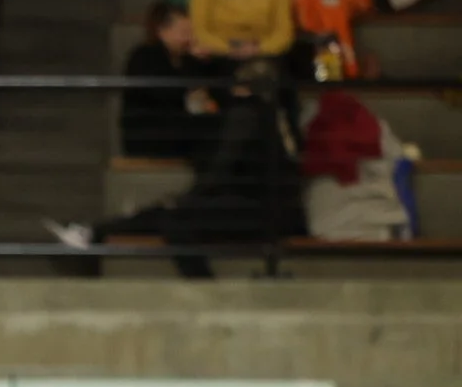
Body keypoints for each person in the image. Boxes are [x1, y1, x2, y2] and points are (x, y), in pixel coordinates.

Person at [47, 61, 304, 278]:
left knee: (175, 220)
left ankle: (207, 290)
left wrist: (188, 199)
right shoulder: (276, 117)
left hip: (258, 212)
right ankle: (95, 232)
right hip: (271, 209)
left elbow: (223, 169)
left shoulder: (246, 115)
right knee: (170, 212)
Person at [121, 4, 222, 165]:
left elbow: (207, 86)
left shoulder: (186, 60)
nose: (189, 38)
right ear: (162, 31)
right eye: (184, 32)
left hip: (181, 128)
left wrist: (204, 60)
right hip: (151, 134)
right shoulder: (144, 56)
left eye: (191, 33)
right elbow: (163, 95)